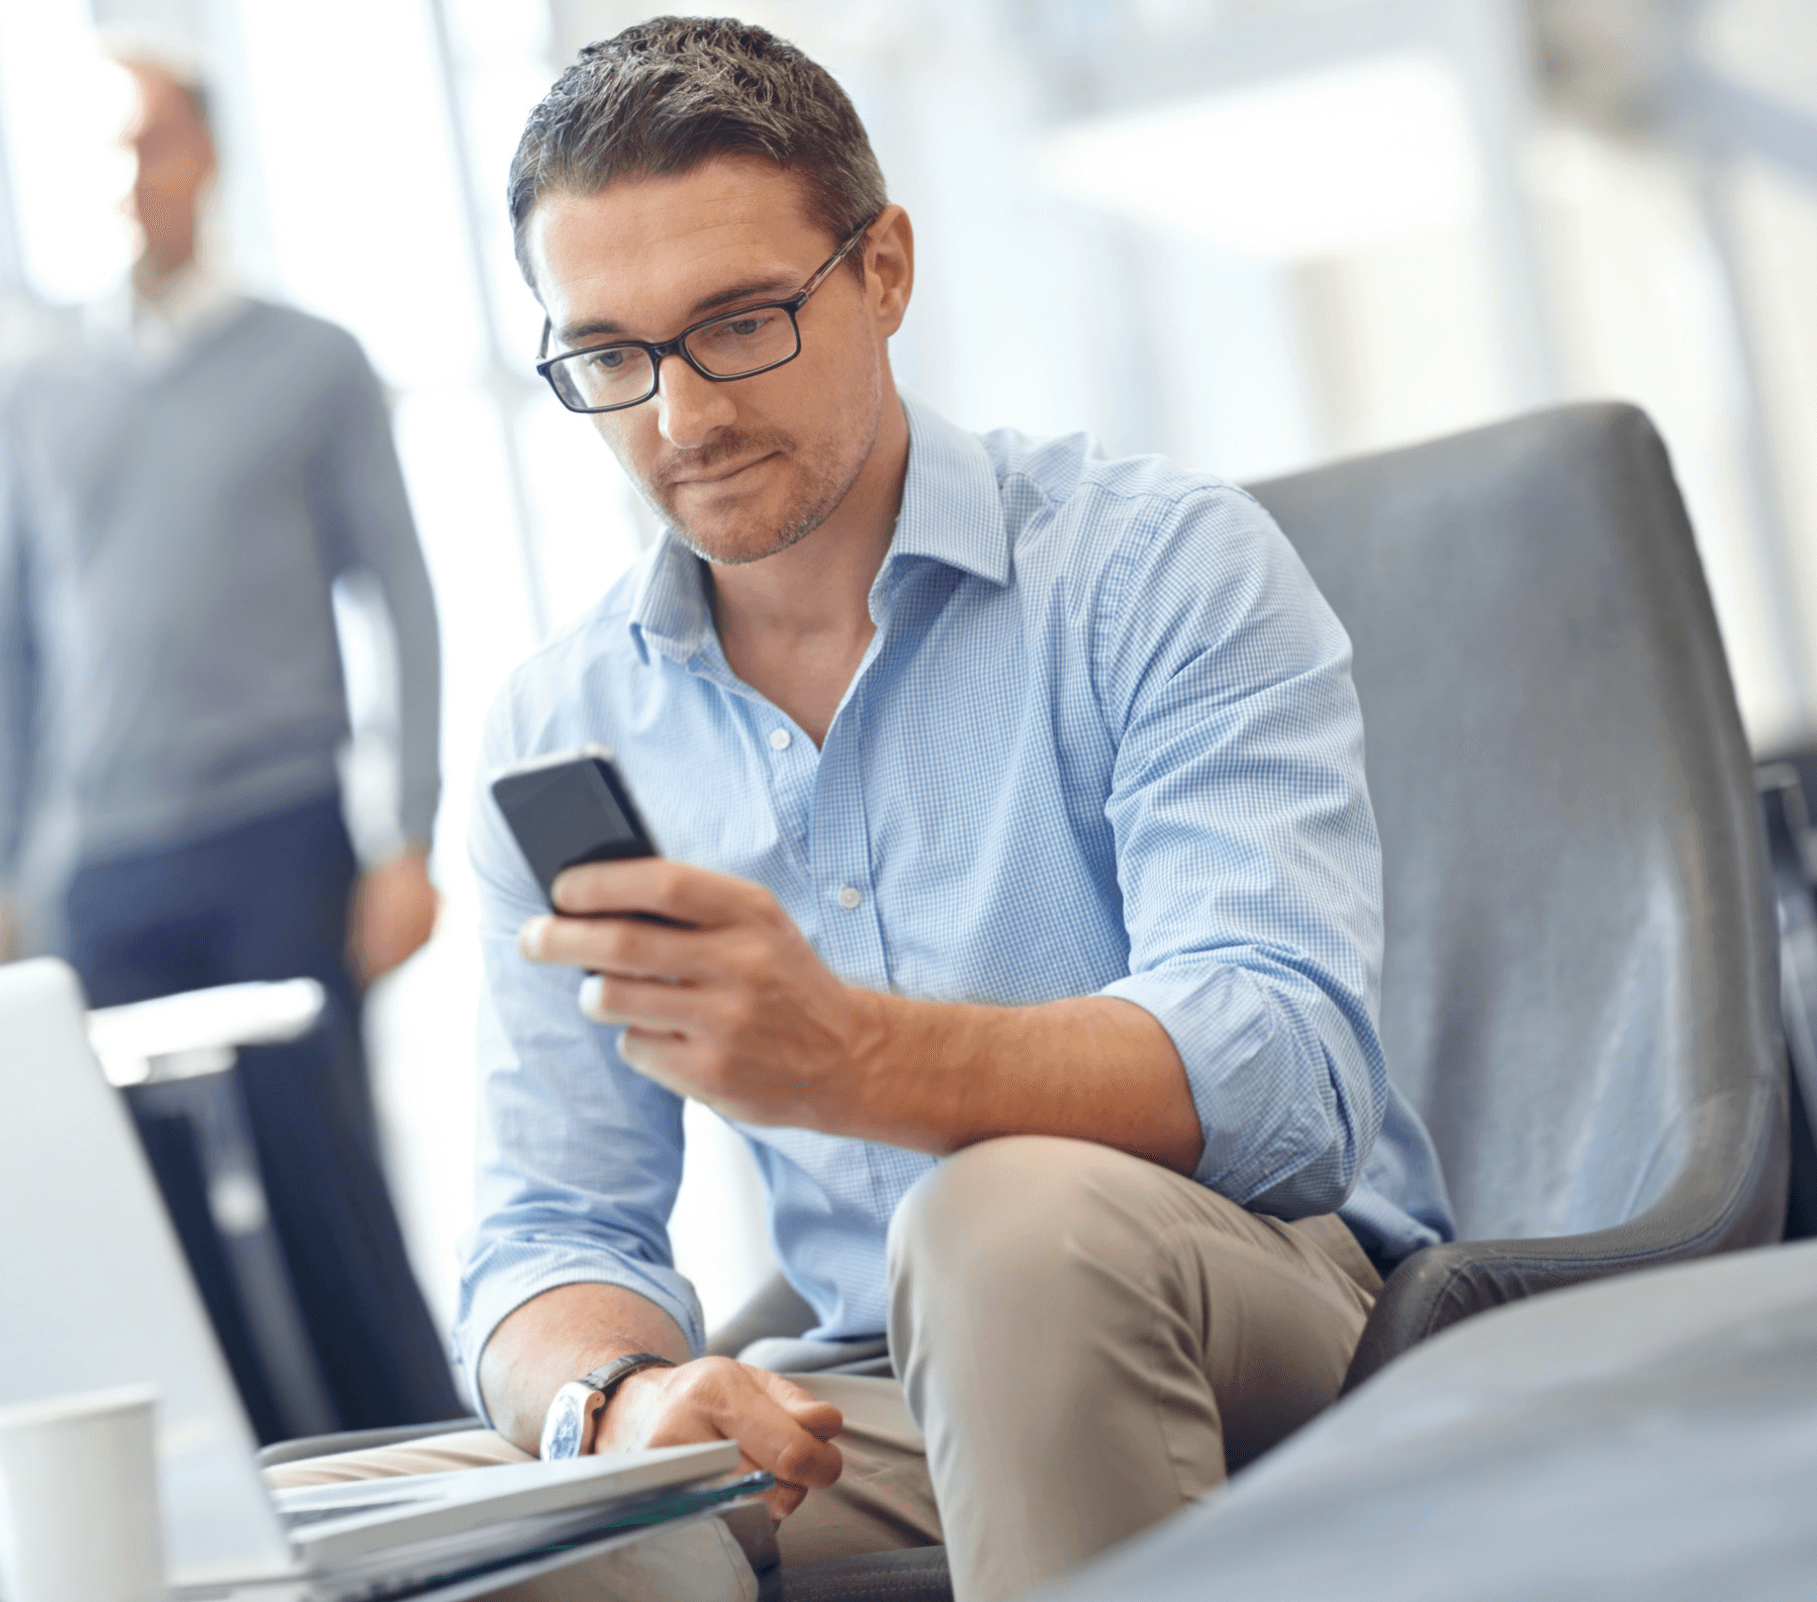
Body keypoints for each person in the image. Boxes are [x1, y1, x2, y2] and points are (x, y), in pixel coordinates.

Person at [276, 16, 1453, 1600]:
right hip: (867, 1395)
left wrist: (850, 1052)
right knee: (311, 1538)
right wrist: (620, 1402)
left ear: (884, 270)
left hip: (1265, 1305)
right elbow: (549, 1226)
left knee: (1005, 1231)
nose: (680, 420)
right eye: (609, 356)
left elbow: (1286, 1074)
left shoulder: (1157, 570)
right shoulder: (559, 727)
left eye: (740, 322)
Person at [0, 52, 459, 1431]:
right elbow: (5, 644)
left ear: (208, 158)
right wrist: (5, 871)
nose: (132, 178)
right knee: (153, 1221)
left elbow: (403, 597)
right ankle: (240, 1522)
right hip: (106, 867)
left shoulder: (310, 360)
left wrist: (408, 835)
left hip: (279, 830)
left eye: (157, 144)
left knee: (323, 1182)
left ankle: (420, 1471)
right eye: (107, 153)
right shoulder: (29, 392)